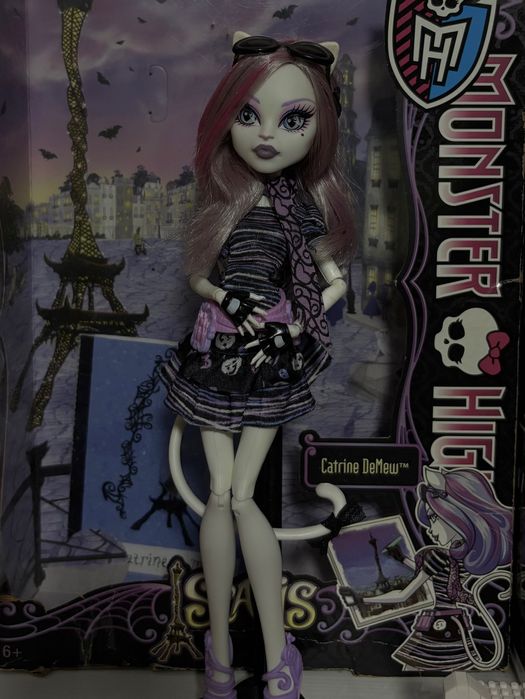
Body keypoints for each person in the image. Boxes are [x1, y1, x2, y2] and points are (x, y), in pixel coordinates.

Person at [161, 32, 354, 698]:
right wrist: (225, 296)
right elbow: (198, 276)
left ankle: (272, 660)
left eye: (292, 119)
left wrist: (294, 322)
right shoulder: (222, 200)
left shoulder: (301, 207)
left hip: (266, 355)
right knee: (223, 495)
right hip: (215, 350)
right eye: (249, 115)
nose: (266, 134)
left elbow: (333, 283)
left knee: (238, 495)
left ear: (319, 128)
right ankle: (223, 660)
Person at [362, 468, 512, 672]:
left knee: (416, 670)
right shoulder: (457, 558)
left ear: (457, 516)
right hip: (453, 623)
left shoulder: (442, 556)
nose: (430, 529)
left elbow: (404, 595)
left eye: (434, 518)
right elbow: (433, 574)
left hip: (437, 626)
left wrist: (364, 600)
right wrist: (402, 559)